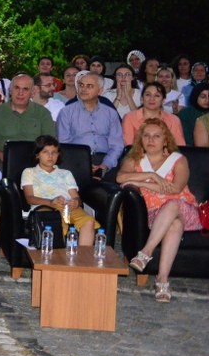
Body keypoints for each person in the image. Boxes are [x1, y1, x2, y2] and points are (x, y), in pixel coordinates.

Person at [117, 120, 203, 302]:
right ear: (141, 138)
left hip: (186, 211)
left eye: (157, 136)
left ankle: (146, 252)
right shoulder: (134, 159)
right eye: (146, 135)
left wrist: (140, 183)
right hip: (155, 216)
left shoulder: (178, 160)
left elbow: (175, 189)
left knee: (173, 205)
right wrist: (150, 175)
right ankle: (162, 280)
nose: (151, 139)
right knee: (174, 224)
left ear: (165, 140)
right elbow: (120, 177)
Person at [21, 134, 97, 246]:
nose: (50, 156)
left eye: (54, 152)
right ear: (37, 155)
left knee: (88, 221)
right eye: (45, 152)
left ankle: (81, 259)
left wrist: (76, 202)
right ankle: (56, 258)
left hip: (68, 208)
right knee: (56, 222)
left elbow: (76, 197)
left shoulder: (65, 173)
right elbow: (29, 198)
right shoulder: (29, 172)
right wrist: (50, 202)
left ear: (58, 154)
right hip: (46, 207)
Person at [57, 71, 124, 179]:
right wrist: (83, 163)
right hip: (76, 161)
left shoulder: (110, 113)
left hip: (105, 160)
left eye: (89, 86)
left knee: (110, 191)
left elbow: (117, 145)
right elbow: (64, 145)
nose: (83, 89)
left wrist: (105, 165)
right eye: (81, 85)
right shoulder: (66, 112)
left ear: (100, 91)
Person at [0, 73, 56, 168]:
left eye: (25, 89)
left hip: (35, 166)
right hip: (2, 164)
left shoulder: (43, 113)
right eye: (16, 88)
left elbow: (50, 145)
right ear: (10, 91)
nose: (20, 93)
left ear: (32, 92)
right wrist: (4, 157)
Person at [121, 81, 186, 147]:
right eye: (148, 95)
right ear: (142, 98)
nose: (152, 99)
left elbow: (180, 147)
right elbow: (129, 146)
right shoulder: (129, 118)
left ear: (163, 100)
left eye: (157, 95)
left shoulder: (174, 120)